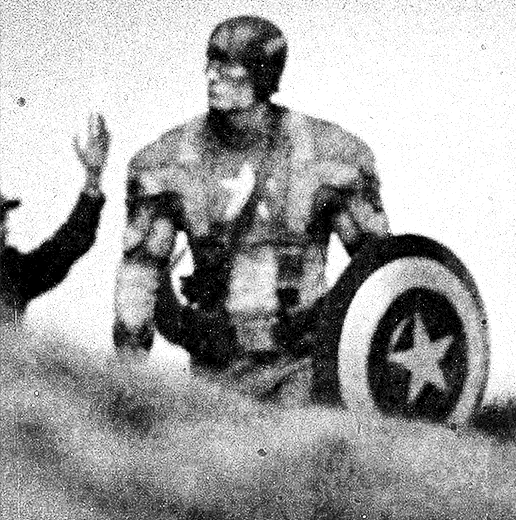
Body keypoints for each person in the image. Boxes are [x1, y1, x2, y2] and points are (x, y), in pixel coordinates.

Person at [113, 16, 390, 403]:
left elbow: (379, 275)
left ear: (261, 73)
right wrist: (128, 383)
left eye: (228, 65)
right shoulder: (167, 163)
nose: (211, 75)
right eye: (210, 63)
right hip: (214, 368)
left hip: (303, 367)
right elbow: (139, 277)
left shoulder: (329, 154)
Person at [0, 113, 110, 326]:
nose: (4, 227)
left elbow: (70, 242)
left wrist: (93, 177)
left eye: (3, 218)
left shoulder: (13, 270)